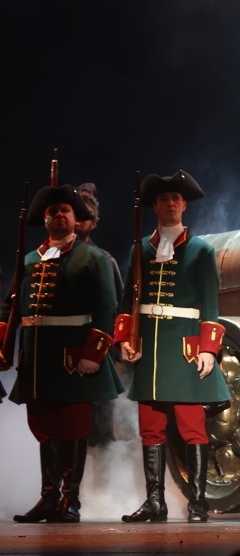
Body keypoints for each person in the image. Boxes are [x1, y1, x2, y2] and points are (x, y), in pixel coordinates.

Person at [0, 181, 123, 523]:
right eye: (52, 211)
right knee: (46, 428)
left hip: (73, 359)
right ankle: (48, 498)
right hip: (37, 360)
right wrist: (2, 347)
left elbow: (106, 310)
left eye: (64, 210)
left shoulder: (93, 258)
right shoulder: (29, 260)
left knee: (73, 428)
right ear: (44, 219)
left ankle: (71, 500)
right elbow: (9, 308)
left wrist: (93, 354)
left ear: (75, 217)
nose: (58, 215)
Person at [114, 170, 231, 523]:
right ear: (155, 206)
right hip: (149, 348)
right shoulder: (140, 249)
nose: (170, 204)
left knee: (191, 426)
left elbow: (211, 305)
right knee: (150, 428)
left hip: (184, 347)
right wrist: (125, 339)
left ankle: (198, 503)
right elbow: (127, 302)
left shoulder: (201, 250)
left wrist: (209, 348)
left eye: (175, 199)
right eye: (163, 199)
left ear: (184, 205)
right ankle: (155, 503)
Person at [76, 182, 126, 447]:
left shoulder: (104, 261)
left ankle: (104, 475)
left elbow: (116, 312)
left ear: (92, 223)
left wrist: (116, 358)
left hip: (99, 353)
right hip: (64, 354)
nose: (77, 222)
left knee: (101, 430)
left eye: (83, 216)